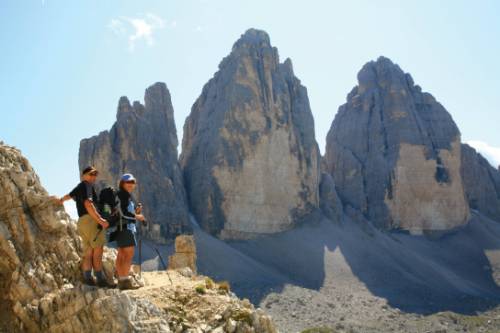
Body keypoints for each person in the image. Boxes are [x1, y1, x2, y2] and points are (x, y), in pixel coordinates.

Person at [59, 166, 113, 288]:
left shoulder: (79, 186)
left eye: (95, 174)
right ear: (84, 175)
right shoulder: (88, 186)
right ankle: (100, 280)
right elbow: (88, 204)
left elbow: (69, 195)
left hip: (81, 222)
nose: (93, 177)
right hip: (91, 220)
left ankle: (88, 279)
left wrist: (61, 200)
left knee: (88, 252)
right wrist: (101, 220)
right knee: (98, 251)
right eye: (91, 174)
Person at [114, 173, 146, 290]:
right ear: (122, 183)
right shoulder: (124, 196)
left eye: (133, 182)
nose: (131, 184)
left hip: (119, 228)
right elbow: (124, 213)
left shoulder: (120, 195)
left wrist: (135, 212)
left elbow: (125, 212)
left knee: (121, 254)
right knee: (128, 255)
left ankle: (121, 280)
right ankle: (125, 281)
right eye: (128, 182)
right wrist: (139, 217)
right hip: (126, 228)